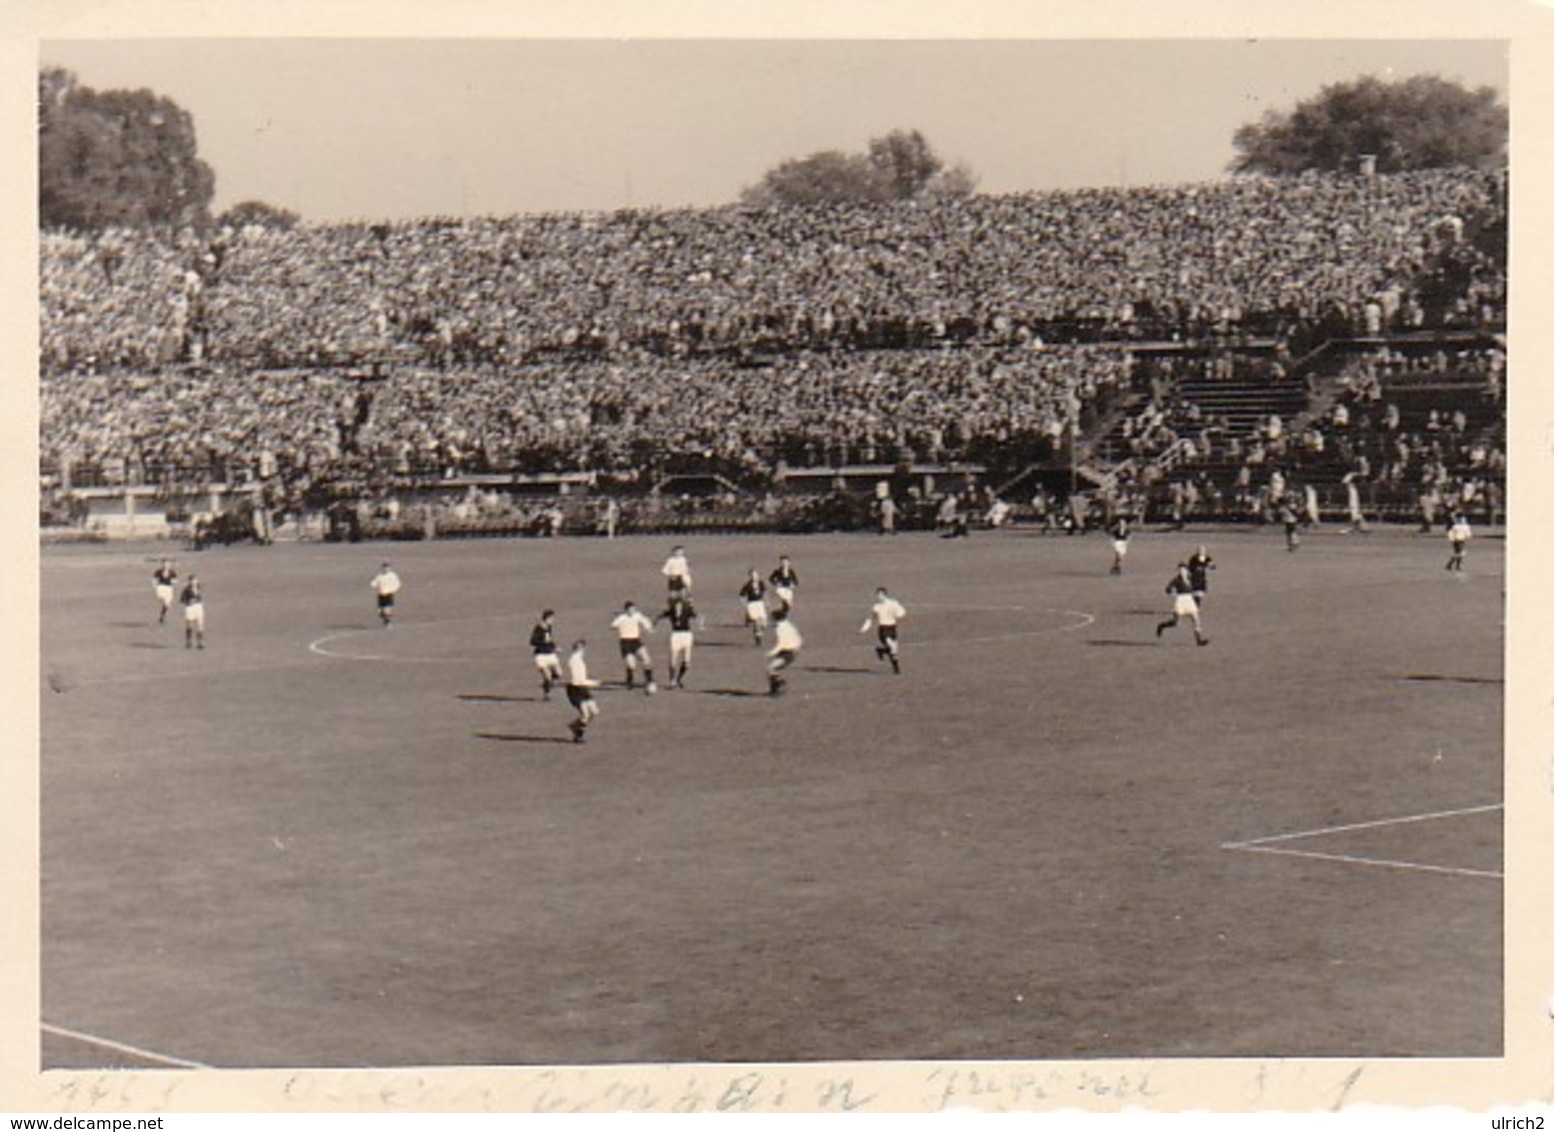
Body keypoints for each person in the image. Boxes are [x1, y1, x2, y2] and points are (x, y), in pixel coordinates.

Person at [610, 600, 657, 692]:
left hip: (636, 641)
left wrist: (649, 628)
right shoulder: (622, 618)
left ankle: (649, 680)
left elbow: (645, 621)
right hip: (626, 642)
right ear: (626, 610)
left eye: (634, 609)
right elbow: (613, 625)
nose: (633, 611)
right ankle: (629, 681)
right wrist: (617, 627)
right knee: (631, 664)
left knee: (646, 658)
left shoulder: (637, 615)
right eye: (631, 609)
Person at [1156, 564, 1208, 646]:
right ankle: (1162, 626)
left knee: (1196, 619)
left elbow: (1198, 585)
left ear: (1187, 570)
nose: (1182, 572)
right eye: (1180, 570)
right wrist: (1172, 592)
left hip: (1189, 600)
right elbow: (1167, 589)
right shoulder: (1176, 580)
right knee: (1177, 623)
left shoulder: (1191, 578)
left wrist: (1199, 591)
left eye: (1183, 570)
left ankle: (1199, 640)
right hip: (1181, 601)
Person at [657, 594, 701, 689]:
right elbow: (660, 616)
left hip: (687, 635)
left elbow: (697, 616)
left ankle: (679, 678)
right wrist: (654, 622)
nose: (678, 608)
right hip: (676, 635)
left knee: (687, 662)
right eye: (676, 606)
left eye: (680, 605)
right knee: (673, 659)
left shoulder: (687, 611)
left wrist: (700, 623)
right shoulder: (671, 612)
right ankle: (672, 680)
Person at [859, 586, 907, 674]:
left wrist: (898, 614)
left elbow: (902, 612)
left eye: (880, 595)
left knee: (895, 651)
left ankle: (891, 663)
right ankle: (897, 669)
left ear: (885, 595)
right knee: (892, 647)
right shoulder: (876, 607)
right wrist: (864, 628)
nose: (878, 597)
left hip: (892, 628)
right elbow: (870, 618)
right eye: (877, 595)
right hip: (883, 630)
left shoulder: (893, 603)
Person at [564, 640, 601, 743]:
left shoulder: (579, 660)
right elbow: (578, 680)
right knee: (585, 714)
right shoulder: (574, 661)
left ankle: (574, 726)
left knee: (594, 711)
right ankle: (578, 735)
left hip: (582, 688)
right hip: (575, 689)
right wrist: (594, 683)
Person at [766, 606, 804, 696]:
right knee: (772, 669)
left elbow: (781, 644)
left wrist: (771, 653)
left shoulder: (780, 628)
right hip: (792, 651)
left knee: (770, 668)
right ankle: (776, 687)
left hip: (788, 652)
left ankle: (778, 687)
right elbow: (798, 638)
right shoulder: (789, 625)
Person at [530, 610, 564, 701]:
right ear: (547, 618)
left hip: (550, 654)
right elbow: (532, 641)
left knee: (559, 674)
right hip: (541, 656)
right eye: (552, 618)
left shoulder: (549, 627)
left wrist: (555, 647)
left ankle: (548, 683)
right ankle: (546, 693)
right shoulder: (538, 628)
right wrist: (543, 642)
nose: (553, 620)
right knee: (547, 676)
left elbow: (550, 639)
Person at [738, 568, 769, 645]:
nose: (754, 577)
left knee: (764, 624)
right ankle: (758, 638)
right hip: (752, 604)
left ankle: (758, 632)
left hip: (760, 603)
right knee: (757, 622)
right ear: (750, 576)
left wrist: (766, 601)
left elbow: (765, 593)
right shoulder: (747, 585)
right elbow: (742, 595)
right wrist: (745, 604)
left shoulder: (761, 583)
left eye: (755, 575)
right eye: (752, 575)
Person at [371, 562, 401, 627]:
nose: (386, 569)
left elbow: (398, 583)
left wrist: (393, 590)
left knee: (387, 608)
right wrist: (374, 585)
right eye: (384, 568)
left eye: (387, 568)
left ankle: (388, 622)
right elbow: (374, 583)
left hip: (389, 594)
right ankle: (385, 620)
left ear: (390, 568)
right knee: (380, 611)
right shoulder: (379, 575)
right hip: (381, 594)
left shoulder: (393, 575)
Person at [180, 575, 205, 649]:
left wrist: (200, 602)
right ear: (189, 582)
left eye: (195, 580)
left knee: (200, 625)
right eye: (192, 581)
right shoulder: (186, 590)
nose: (193, 582)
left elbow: (200, 598)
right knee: (189, 625)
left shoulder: (199, 587)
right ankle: (189, 641)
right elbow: (182, 600)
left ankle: (200, 642)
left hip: (199, 607)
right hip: (190, 608)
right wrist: (189, 602)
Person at [153, 558, 178, 625]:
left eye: (168, 564)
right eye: (165, 564)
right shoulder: (159, 571)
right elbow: (155, 580)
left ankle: (162, 615)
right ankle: (162, 613)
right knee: (162, 599)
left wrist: (173, 582)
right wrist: (155, 586)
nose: (166, 565)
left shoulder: (172, 572)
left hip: (169, 588)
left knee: (167, 604)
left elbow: (175, 581)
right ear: (162, 564)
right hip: (161, 587)